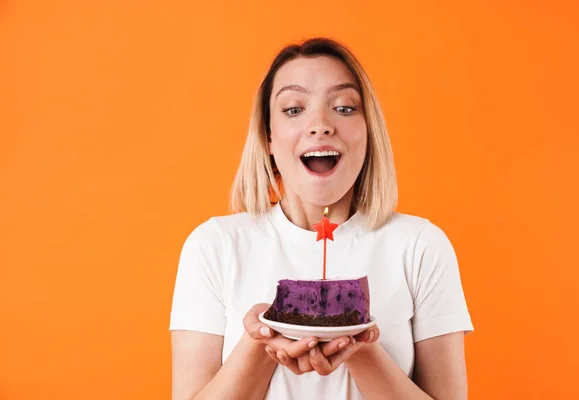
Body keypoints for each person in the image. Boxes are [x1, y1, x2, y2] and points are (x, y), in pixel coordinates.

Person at [169, 37, 474, 400]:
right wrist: (261, 341)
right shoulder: (214, 245)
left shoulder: (421, 245)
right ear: (268, 136)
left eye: (344, 107)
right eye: (294, 109)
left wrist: (361, 347)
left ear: (368, 131)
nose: (321, 125)